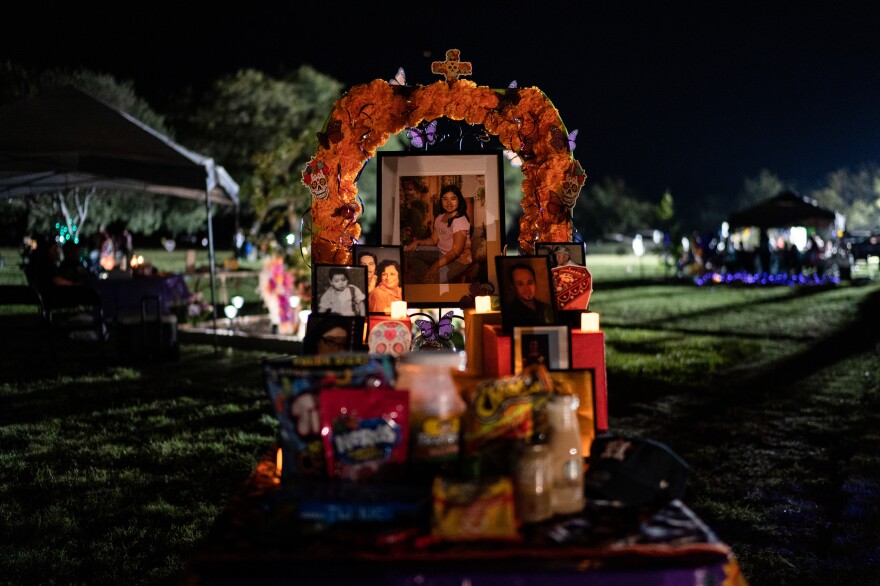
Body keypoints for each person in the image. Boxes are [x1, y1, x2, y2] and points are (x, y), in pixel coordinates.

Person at [404, 184, 472, 283]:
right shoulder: (440, 217)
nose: (449, 203)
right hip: (441, 253)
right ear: (441, 200)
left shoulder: (460, 221)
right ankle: (427, 275)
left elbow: (455, 252)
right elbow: (433, 240)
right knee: (410, 254)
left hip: (460, 259)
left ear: (459, 200)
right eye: (445, 199)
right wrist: (418, 242)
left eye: (453, 199)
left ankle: (429, 276)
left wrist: (435, 266)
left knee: (435, 279)